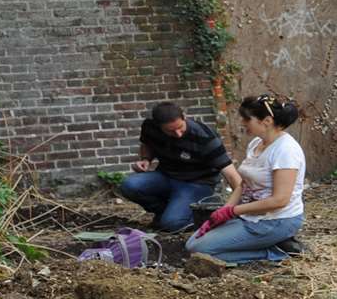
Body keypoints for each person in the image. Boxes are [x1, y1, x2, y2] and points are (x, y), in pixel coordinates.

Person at [187, 94, 306, 264]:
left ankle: (276, 252)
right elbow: (244, 184)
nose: (242, 123)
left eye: (247, 119)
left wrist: (233, 211)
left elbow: (280, 200)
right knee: (192, 244)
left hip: (276, 221)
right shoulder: (256, 144)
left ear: (266, 121)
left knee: (200, 250)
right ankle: (264, 245)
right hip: (250, 216)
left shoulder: (285, 150)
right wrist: (224, 210)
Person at [116, 101, 240, 232]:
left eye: (180, 127)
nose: (178, 134)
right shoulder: (150, 127)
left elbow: (231, 174)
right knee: (129, 185)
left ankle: (204, 214)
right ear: (159, 126)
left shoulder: (204, 137)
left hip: (197, 183)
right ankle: (166, 213)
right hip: (166, 176)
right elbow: (146, 143)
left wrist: (241, 206)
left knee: (172, 225)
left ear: (184, 117)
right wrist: (146, 159)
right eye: (171, 131)